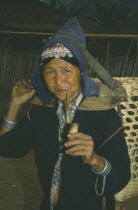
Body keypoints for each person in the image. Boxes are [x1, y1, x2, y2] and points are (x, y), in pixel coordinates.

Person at [0, 17, 130, 210]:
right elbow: (8, 148)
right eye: (50, 71)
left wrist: (94, 159)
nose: (59, 81)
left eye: (67, 70)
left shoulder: (103, 114)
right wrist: (15, 105)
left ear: (81, 73)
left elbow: (121, 176)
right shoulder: (42, 112)